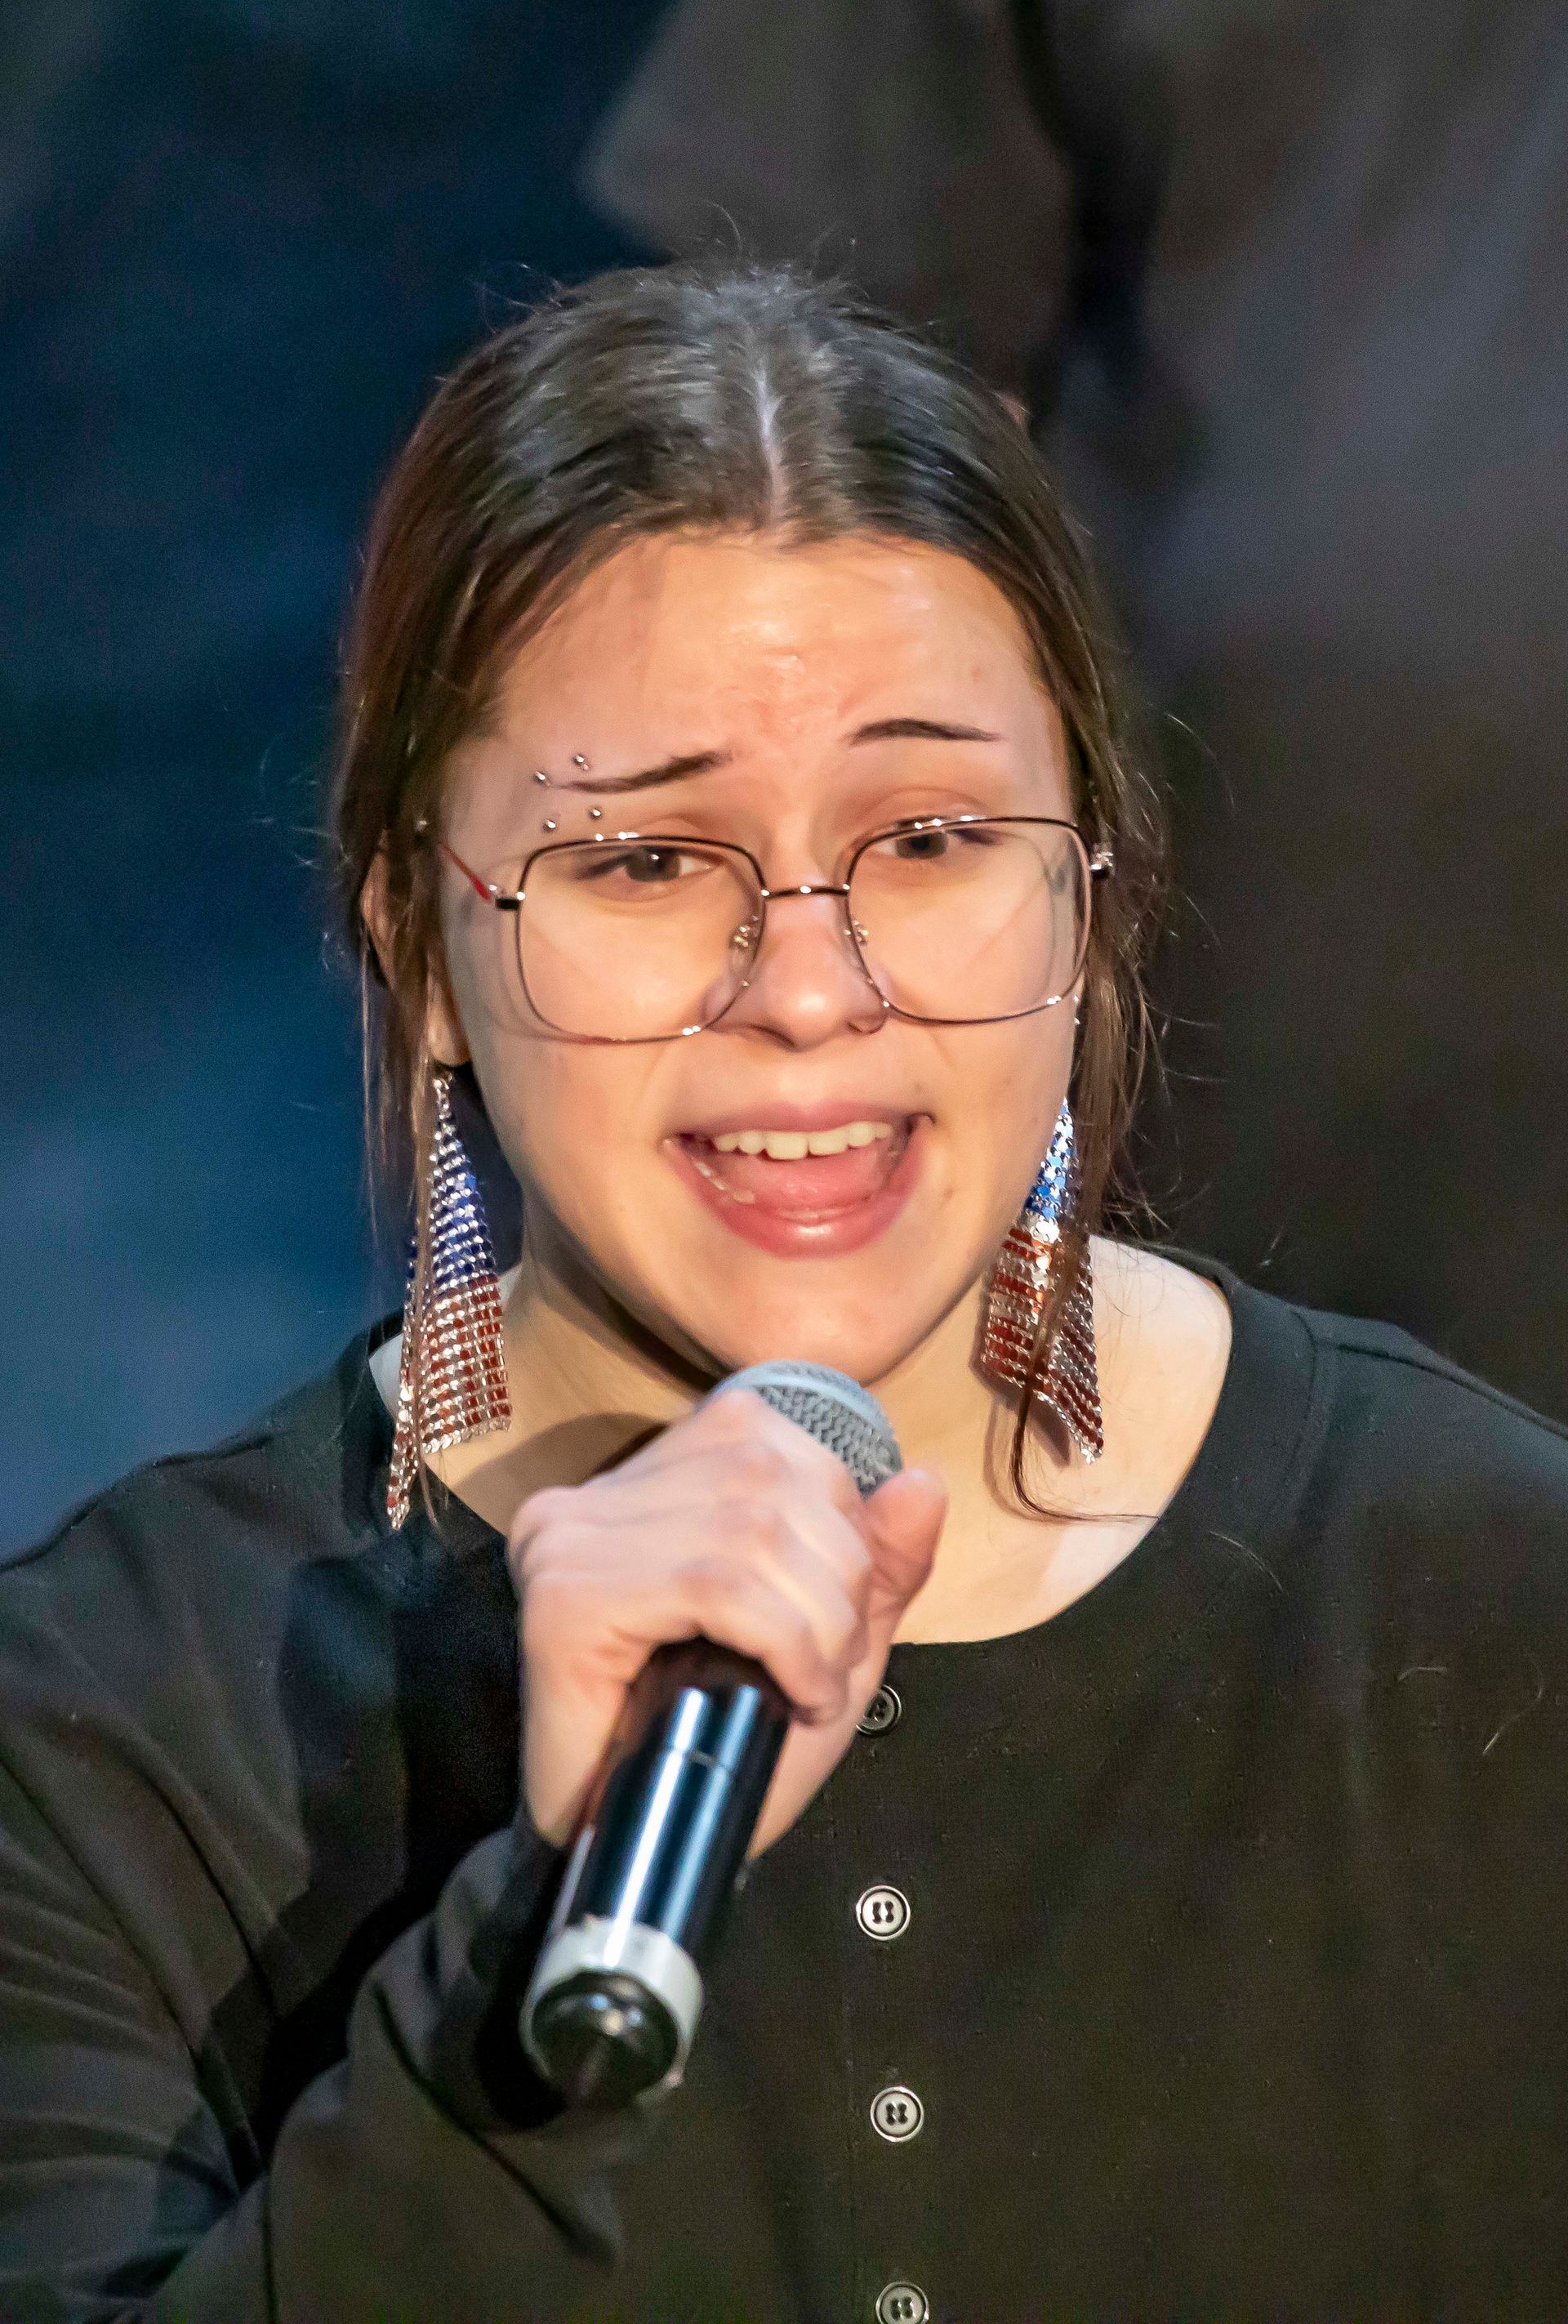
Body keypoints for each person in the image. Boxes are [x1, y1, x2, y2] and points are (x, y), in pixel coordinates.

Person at [2, 261, 1566, 2324]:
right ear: (415, 941)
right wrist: (535, 1965)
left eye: (927, 835)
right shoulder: (114, 1730)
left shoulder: (1481, 1596)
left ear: (1088, 892)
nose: (814, 993)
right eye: (646, 863)